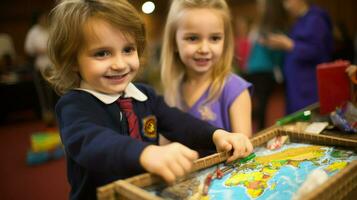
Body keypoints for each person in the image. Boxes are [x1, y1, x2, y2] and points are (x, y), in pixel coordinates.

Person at [45, 0, 253, 199]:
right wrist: (144, 153)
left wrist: (215, 135)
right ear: (72, 60)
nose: (119, 64)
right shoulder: (74, 105)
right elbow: (93, 142)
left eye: (128, 50)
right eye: (102, 53)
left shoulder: (145, 95)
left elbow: (179, 122)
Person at [160, 0, 252, 148]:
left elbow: (243, 151)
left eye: (214, 38)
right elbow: (164, 148)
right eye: (193, 38)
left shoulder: (235, 89)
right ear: (174, 42)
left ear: (225, 41)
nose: (204, 49)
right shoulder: (171, 92)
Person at [261, 0, 333, 114]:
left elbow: (317, 51)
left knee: (308, 122)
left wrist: (289, 44)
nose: (286, 6)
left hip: (308, 90)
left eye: (289, 1)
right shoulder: (299, 22)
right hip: (297, 88)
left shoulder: (315, 19)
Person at [244, 0, 288, 130]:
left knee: (256, 103)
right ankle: (260, 131)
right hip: (264, 71)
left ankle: (256, 129)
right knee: (262, 104)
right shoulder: (273, 29)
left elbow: (251, 52)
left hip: (252, 70)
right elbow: (277, 55)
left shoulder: (260, 28)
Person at [24, 10, 56, 125]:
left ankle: (56, 115)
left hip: (53, 66)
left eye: (46, 18)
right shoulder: (33, 32)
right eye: (42, 18)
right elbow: (28, 49)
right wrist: (39, 49)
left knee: (54, 92)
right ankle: (47, 116)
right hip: (40, 67)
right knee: (43, 94)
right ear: (38, 20)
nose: (44, 20)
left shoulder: (52, 29)